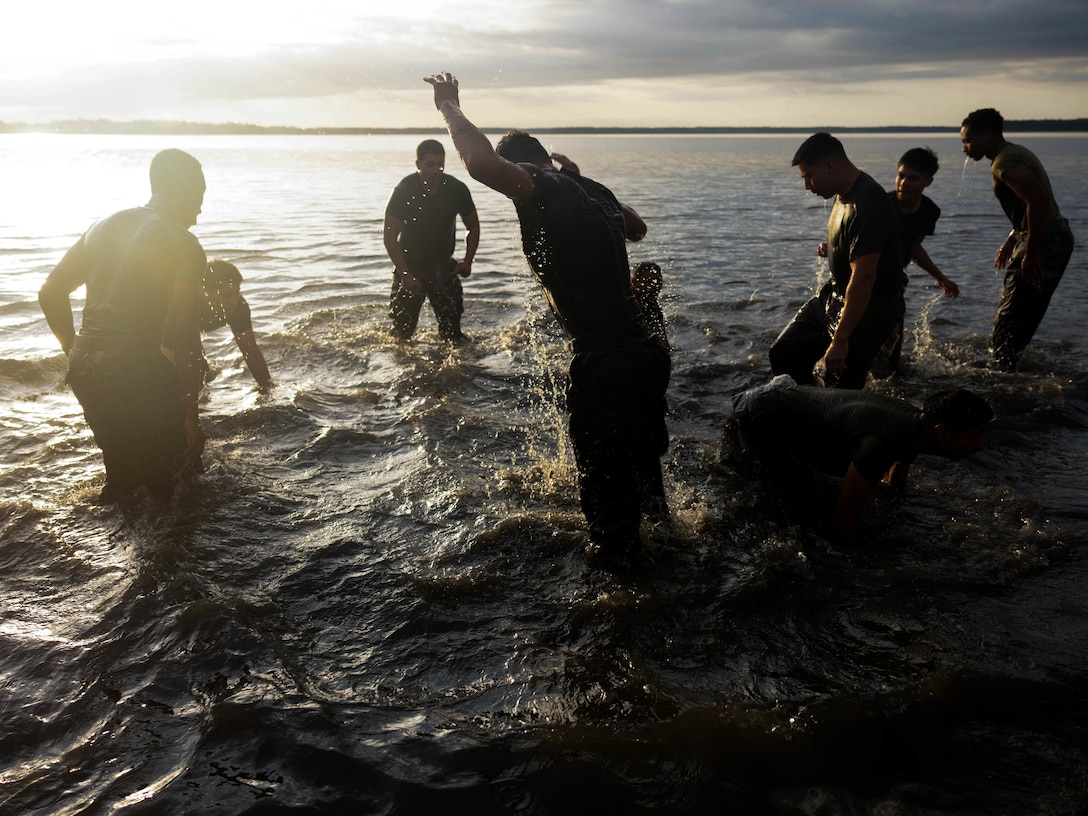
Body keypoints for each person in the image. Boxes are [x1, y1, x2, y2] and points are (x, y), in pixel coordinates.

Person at [423, 71, 670, 565]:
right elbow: (637, 228)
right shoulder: (586, 187)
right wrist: (577, 178)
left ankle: (622, 600)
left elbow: (478, 163)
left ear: (521, 165)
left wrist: (448, 107)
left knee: (606, 503)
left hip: (605, 361)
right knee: (645, 475)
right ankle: (669, 555)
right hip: (647, 354)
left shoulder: (545, 187)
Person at [38, 149, 207, 502]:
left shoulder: (102, 226)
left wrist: (75, 352)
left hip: (86, 367)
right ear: (183, 190)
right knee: (175, 479)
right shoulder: (183, 244)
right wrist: (191, 415)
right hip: (136, 366)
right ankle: (171, 552)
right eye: (198, 198)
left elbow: (51, 292)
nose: (199, 212)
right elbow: (185, 335)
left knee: (122, 479)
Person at [722, 376, 993, 536]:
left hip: (780, 396)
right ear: (942, 431)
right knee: (772, 504)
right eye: (975, 435)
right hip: (759, 414)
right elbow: (844, 518)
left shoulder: (917, 427)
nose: (980, 445)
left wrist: (898, 508)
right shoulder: (885, 440)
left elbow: (895, 484)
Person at [769, 133, 905, 389]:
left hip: (868, 310)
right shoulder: (843, 194)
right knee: (784, 354)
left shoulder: (869, 204)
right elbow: (856, 243)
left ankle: (827, 413)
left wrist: (841, 339)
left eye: (808, 176)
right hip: (834, 296)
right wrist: (835, 250)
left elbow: (865, 277)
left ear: (829, 166)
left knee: (839, 388)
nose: (807, 186)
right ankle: (808, 403)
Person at [960, 108, 1075, 371]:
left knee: (1009, 321)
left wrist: (1031, 253)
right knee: (1025, 315)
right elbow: (1030, 205)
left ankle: (1004, 380)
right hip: (1053, 237)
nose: (965, 148)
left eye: (968, 141)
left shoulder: (1004, 162)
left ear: (988, 136)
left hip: (1044, 241)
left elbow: (1039, 200)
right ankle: (1014, 371)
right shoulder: (1015, 152)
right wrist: (1013, 238)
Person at [873, 147, 960, 376]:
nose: (903, 183)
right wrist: (830, 248)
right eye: (900, 175)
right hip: (866, 278)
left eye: (912, 178)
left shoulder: (930, 211)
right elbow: (856, 240)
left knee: (891, 349)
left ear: (927, 181)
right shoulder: (882, 205)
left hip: (893, 282)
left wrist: (941, 278)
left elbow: (913, 247)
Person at [383, 139, 481, 342]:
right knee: (402, 335)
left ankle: (456, 371)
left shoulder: (456, 189)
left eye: (440, 164)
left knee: (452, 335)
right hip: (411, 265)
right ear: (418, 164)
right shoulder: (404, 190)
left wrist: (467, 261)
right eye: (430, 164)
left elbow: (473, 226)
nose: (436, 170)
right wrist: (405, 274)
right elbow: (390, 236)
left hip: (444, 266)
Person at [194, 260, 272, 388]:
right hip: (161, 329)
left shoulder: (239, 308)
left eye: (237, 293)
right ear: (204, 292)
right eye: (226, 295)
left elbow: (251, 352)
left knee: (206, 375)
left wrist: (267, 388)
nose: (233, 301)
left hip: (192, 330)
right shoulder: (188, 306)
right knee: (197, 371)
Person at [631, 261, 669, 351]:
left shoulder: (651, 303)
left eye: (658, 281)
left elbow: (663, 342)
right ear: (635, 283)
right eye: (650, 281)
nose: (656, 286)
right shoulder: (627, 302)